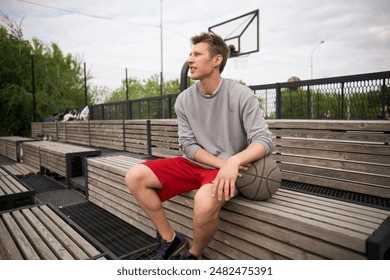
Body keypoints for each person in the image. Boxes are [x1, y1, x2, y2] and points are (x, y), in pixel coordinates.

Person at [125, 32, 274, 260]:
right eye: (190, 54)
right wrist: (224, 162)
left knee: (203, 203)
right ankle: (171, 240)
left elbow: (264, 139)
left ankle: (194, 255)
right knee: (134, 176)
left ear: (217, 60)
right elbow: (187, 144)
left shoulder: (242, 95)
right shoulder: (184, 100)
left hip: (225, 172)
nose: (190, 60)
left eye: (197, 54)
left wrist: (233, 161)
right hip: (196, 164)